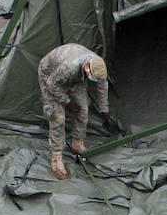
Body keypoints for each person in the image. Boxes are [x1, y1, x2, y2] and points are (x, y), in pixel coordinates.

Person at [37, 43, 113, 180]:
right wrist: (68, 102)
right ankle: (56, 158)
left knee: (83, 108)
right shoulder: (69, 67)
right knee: (57, 117)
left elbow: (102, 88)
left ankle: (77, 142)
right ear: (87, 69)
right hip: (50, 74)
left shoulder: (99, 67)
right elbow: (51, 84)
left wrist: (104, 111)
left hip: (76, 77)